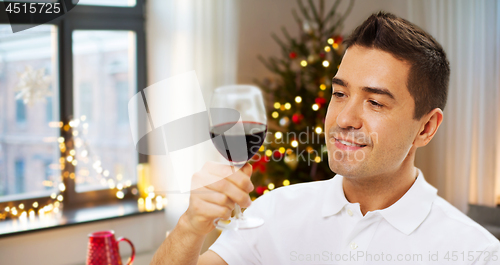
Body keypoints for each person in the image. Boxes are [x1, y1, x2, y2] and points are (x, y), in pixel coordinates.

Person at [151, 12, 500, 265]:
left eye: (375, 102)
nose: (344, 119)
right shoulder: (273, 212)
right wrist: (190, 226)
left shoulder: (476, 254)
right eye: (340, 93)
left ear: (425, 128)